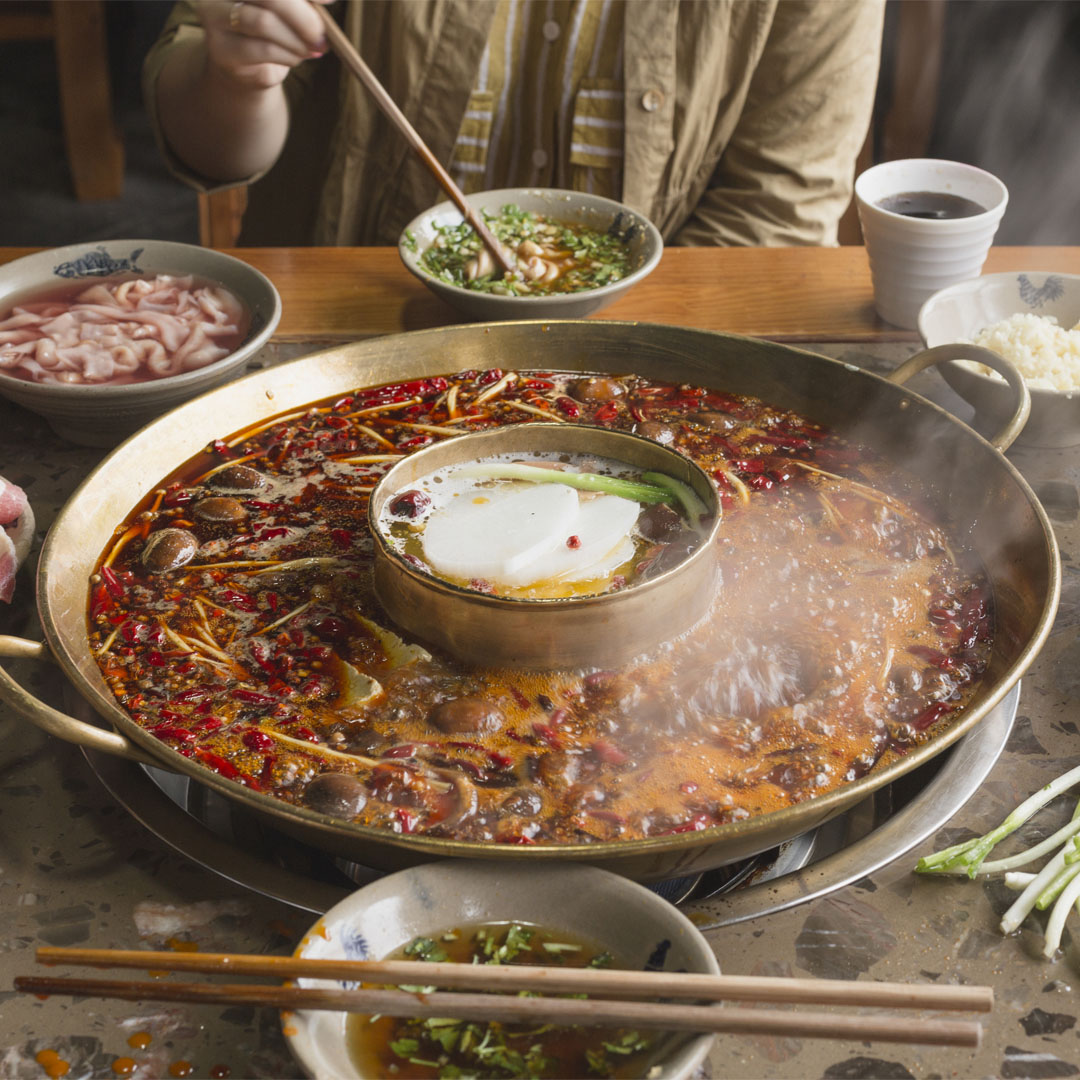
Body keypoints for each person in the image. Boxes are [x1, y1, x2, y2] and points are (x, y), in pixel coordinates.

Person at [145, 0, 885, 247]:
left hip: (643, 360)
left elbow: (776, 215)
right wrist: (237, 76)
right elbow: (207, 148)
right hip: (347, 334)